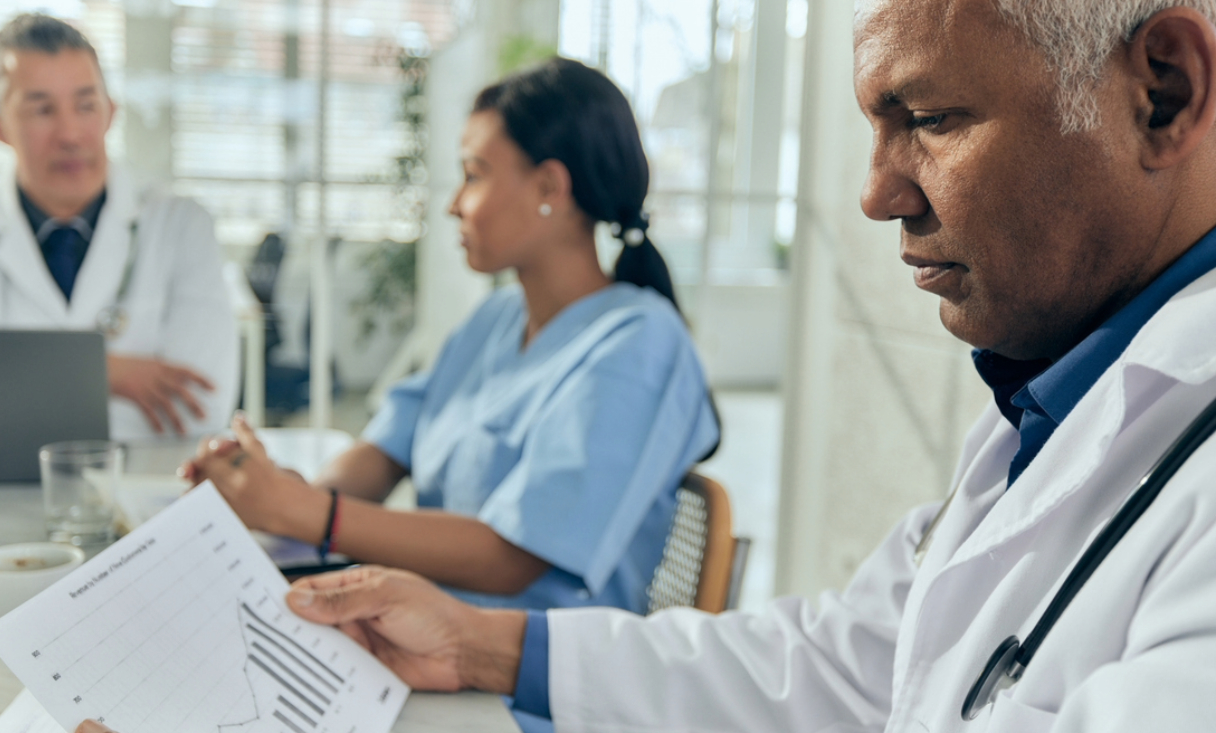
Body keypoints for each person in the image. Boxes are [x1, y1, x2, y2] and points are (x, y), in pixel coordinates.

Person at [66, 1, 1216, 731]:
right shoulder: (1044, 406)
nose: (874, 194)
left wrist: (309, 514)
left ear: (1159, 92)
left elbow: (521, 552)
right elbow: (848, 661)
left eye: (930, 117)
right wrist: (466, 634)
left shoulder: (632, 345)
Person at [183, 58, 720, 619]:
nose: (453, 204)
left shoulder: (640, 345)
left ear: (549, 187)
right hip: (424, 628)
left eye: (474, 175)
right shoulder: (495, 319)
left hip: (528, 661)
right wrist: (279, 493)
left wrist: (308, 513)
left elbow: (511, 559)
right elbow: (386, 450)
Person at [0, 14, 238, 439]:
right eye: (42, 109)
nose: (70, 134)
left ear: (111, 111)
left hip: (142, 481)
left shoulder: (181, 225)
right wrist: (105, 373)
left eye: (86, 105)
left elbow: (199, 409)